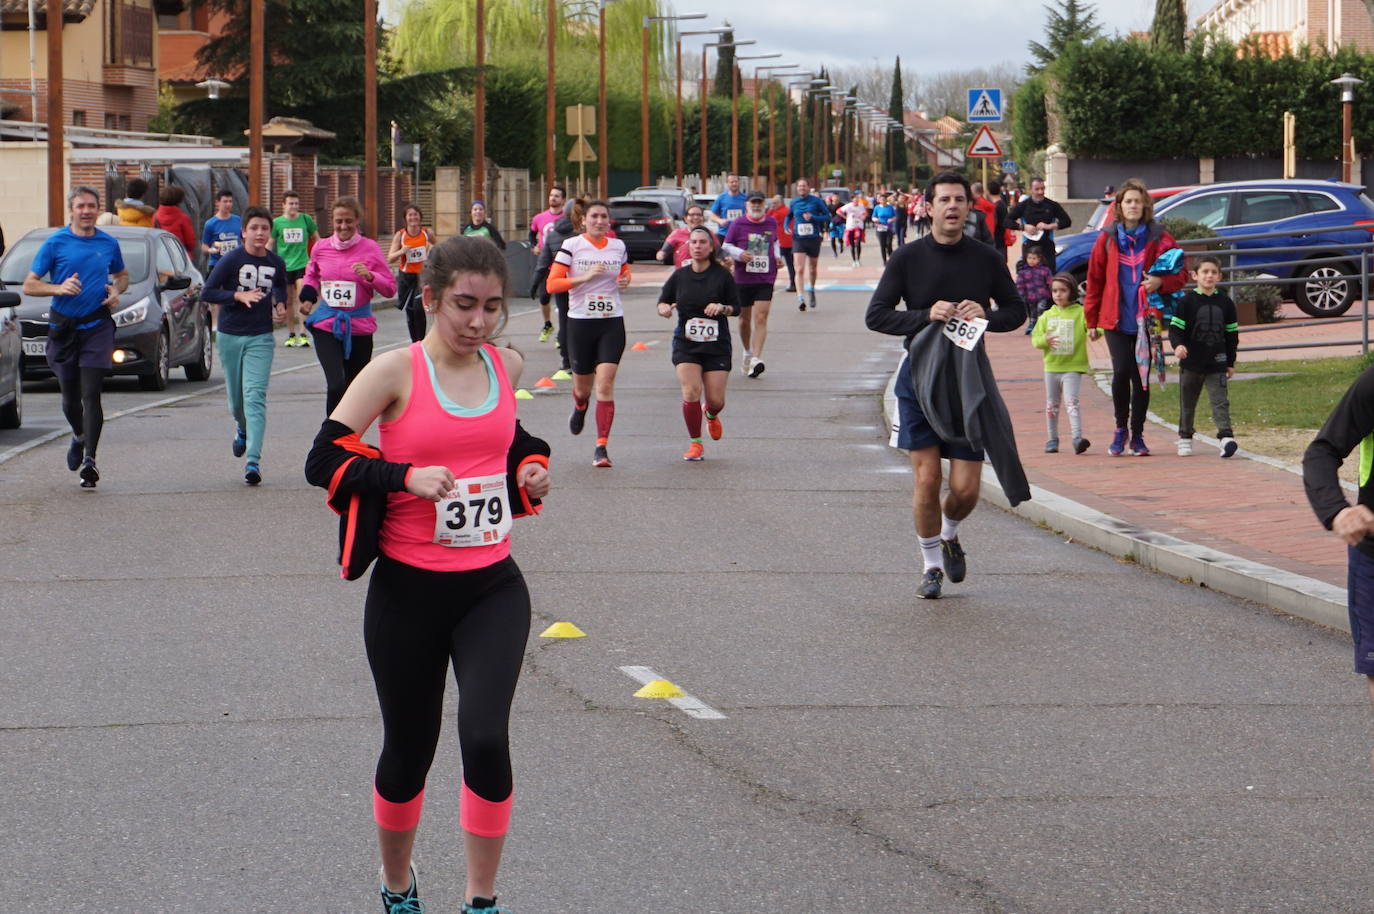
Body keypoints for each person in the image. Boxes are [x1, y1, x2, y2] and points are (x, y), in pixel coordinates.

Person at [304, 236, 551, 914]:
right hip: (407, 592)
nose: (478, 322)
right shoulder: (394, 373)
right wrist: (404, 476)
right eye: (464, 306)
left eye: (493, 307)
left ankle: (482, 900)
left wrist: (530, 468)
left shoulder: (507, 364)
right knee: (410, 750)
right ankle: (397, 884)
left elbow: (507, 439)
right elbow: (322, 460)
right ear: (432, 300)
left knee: (482, 735)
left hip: (491, 586)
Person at [864, 170, 1027, 600]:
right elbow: (876, 315)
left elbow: (1016, 311)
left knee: (965, 490)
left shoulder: (986, 258)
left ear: (969, 207)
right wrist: (924, 314)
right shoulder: (907, 258)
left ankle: (950, 533)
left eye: (959, 200)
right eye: (944, 200)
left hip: (966, 382)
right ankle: (931, 564)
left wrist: (986, 315)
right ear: (929, 207)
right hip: (918, 378)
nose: (952, 207)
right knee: (926, 479)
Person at [21, 186, 129, 488]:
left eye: (91, 206)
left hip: (97, 326)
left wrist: (116, 291)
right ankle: (78, 436)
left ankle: (90, 461)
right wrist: (58, 288)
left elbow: (122, 274)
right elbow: (30, 285)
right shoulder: (56, 243)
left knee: (91, 393)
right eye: (81, 206)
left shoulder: (108, 243)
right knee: (70, 399)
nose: (86, 211)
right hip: (64, 327)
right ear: (72, 209)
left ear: (98, 209)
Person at [1084, 177, 1186, 457]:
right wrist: (1090, 321)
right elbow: (1094, 281)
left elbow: (1181, 274)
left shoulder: (1159, 237)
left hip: (1146, 319)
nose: (1132, 205)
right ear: (1119, 206)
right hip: (1115, 318)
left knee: (1141, 376)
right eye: (1127, 201)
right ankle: (1120, 430)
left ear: (1145, 206)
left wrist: (1159, 283)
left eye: (1137, 201)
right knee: (1121, 372)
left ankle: (1138, 435)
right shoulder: (1106, 238)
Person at [200, 206, 288, 485]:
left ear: (269, 232)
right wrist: (238, 295)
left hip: (261, 337)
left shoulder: (276, 262)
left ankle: (253, 461)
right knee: (237, 402)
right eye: (254, 228)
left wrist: (280, 304)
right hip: (229, 335)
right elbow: (208, 292)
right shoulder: (231, 260)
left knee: (255, 397)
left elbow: (281, 287)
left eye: (264, 228)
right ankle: (241, 428)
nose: (260, 233)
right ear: (244, 232)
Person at [546, 199, 631, 467]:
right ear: (584, 220)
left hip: (611, 322)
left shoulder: (618, 246)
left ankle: (601, 447)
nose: (599, 221)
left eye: (604, 217)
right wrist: (583, 278)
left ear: (609, 220)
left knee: (604, 384)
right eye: (594, 216)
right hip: (581, 324)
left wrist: (625, 279)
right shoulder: (571, 246)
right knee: (583, 389)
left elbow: (625, 271)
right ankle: (580, 405)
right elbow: (552, 284)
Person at [299, 197, 396, 414]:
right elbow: (312, 275)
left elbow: (390, 288)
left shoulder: (370, 248)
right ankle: (331, 438)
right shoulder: (321, 248)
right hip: (327, 323)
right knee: (336, 384)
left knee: (354, 389)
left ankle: (348, 436)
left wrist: (371, 277)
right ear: (332, 221)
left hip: (359, 326)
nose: (343, 226)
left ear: (357, 221)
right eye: (339, 221)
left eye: (348, 221)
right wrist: (307, 297)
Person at [656, 225, 740, 460]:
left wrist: (722, 307)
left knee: (716, 400)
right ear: (688, 246)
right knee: (691, 390)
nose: (697, 246)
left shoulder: (722, 275)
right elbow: (663, 301)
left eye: (703, 242)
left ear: (711, 246)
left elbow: (737, 308)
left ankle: (711, 415)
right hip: (687, 343)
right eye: (693, 242)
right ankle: (695, 443)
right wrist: (663, 308)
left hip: (716, 345)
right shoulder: (680, 275)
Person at [1168, 254, 1239, 458]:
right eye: (1205, 272)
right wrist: (1178, 345)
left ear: (1219, 276)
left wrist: (1230, 361)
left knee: (1220, 401)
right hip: (1191, 363)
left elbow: (1231, 335)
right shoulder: (1186, 302)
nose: (1209, 276)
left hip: (1217, 362)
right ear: (1195, 275)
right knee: (1188, 402)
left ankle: (1226, 438)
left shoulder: (1226, 303)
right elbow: (1175, 329)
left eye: (1213, 272)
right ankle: (1185, 437)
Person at [1030, 273, 1091, 455]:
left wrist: (1097, 332)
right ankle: (1052, 439)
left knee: (1072, 402)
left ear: (1071, 292)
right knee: (1052, 405)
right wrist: (1044, 340)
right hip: (1052, 368)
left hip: (1072, 367)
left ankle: (1077, 438)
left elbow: (1095, 327)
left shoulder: (1080, 313)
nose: (1058, 294)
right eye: (1055, 291)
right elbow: (1035, 338)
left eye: (1063, 291)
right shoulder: (1047, 316)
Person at [723, 191, 781, 379]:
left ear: (764, 204)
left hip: (765, 277)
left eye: (759, 203)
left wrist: (778, 256)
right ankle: (747, 351)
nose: (756, 206)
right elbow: (726, 246)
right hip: (743, 277)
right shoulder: (738, 224)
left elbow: (776, 241)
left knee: (762, 317)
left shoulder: (771, 222)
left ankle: (756, 358)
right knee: (744, 319)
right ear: (747, 206)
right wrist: (740, 254)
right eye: (753, 203)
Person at [536, 199, 583, 376]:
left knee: (565, 321)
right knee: (582, 322)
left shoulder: (554, 232)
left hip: (562, 283)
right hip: (581, 285)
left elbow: (543, 261)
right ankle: (582, 359)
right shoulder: (583, 234)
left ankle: (566, 361)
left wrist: (535, 282)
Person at [269, 189, 320, 349]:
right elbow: (270, 243)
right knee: (288, 301)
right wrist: (265, 259)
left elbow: (318, 240)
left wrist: (316, 259)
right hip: (284, 266)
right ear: (283, 205)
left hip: (302, 264)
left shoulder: (305, 220)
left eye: (296, 203)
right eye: (291, 203)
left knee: (302, 297)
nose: (294, 206)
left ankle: (303, 333)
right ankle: (291, 334)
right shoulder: (277, 223)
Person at [387, 203, 437, 344]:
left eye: (416, 214)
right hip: (406, 277)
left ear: (420, 217)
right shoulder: (401, 235)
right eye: (410, 215)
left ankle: (421, 341)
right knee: (410, 310)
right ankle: (414, 341)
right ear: (406, 218)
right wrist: (402, 251)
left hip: (422, 276)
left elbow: (438, 249)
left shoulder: (427, 233)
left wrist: (431, 248)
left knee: (418, 308)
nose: (413, 217)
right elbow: (390, 258)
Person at [785, 178, 832, 312]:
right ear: (797, 188)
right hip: (798, 238)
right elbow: (789, 216)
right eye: (799, 186)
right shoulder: (794, 202)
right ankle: (800, 298)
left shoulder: (816, 201)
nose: (801, 188)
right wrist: (785, 226)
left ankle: (811, 289)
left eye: (804, 186)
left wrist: (813, 218)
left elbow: (827, 216)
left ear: (808, 187)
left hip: (813, 238)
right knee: (799, 268)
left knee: (812, 268)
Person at [1007, 177, 1071, 271]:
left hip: (1047, 247)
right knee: (1029, 277)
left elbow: (1067, 221)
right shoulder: (1024, 205)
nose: (1040, 192)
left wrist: (1049, 226)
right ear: (1030, 190)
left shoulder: (1052, 205)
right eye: (1037, 189)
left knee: (1048, 278)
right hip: (1029, 247)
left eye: (1042, 188)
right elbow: (1007, 221)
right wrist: (1023, 227)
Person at [529, 185, 565, 342]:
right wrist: (534, 246)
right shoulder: (539, 218)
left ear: (563, 200)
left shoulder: (567, 219)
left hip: (563, 265)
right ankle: (547, 324)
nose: (553, 198)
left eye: (557, 196)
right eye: (551, 195)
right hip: (546, 264)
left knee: (562, 301)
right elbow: (532, 233)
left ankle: (563, 332)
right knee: (544, 297)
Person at [657, 204, 716, 269]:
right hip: (682, 274)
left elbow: (719, 252)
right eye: (692, 215)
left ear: (703, 218)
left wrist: (725, 258)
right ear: (685, 218)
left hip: (704, 273)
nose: (696, 217)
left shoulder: (709, 234)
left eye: (699, 215)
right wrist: (661, 254)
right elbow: (664, 250)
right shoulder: (677, 233)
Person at [201, 189, 242, 272]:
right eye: (225, 201)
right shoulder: (210, 224)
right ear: (217, 203)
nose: (228, 204)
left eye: (230, 201)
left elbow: (243, 240)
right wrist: (211, 250)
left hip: (235, 263)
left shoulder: (238, 220)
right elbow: (204, 246)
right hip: (217, 264)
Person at [1015, 247, 1053, 334]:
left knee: (1041, 309)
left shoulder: (1044, 270)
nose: (1031, 260)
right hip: (1030, 296)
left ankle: (1041, 325)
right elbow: (1020, 284)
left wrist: (1052, 290)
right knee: (1033, 312)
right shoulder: (1023, 271)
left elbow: (1050, 281)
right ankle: (1032, 325)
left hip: (1042, 295)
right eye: (1029, 258)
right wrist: (1021, 294)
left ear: (1039, 259)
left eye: (1034, 258)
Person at [153, 184, 195, 255]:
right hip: (180, 256)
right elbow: (190, 243)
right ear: (179, 200)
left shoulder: (155, 216)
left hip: (161, 255)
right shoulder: (183, 218)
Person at [767, 195, 797, 292]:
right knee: (790, 264)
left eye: (775, 203)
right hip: (789, 241)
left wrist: (770, 209)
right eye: (772, 203)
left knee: (773, 264)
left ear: (781, 203)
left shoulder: (780, 212)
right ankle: (793, 284)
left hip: (781, 242)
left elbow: (767, 220)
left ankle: (770, 283)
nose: (773, 205)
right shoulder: (787, 210)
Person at [708, 173, 748, 238]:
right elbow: (712, 216)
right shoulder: (721, 198)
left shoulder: (745, 198)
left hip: (740, 234)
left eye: (736, 182)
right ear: (727, 183)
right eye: (731, 182)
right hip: (724, 234)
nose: (734, 184)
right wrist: (719, 220)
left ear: (739, 182)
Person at [838, 195, 867, 267]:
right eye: (855, 199)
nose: (856, 200)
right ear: (852, 200)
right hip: (850, 226)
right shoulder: (848, 206)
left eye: (857, 199)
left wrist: (863, 217)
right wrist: (845, 217)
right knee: (852, 245)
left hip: (859, 226)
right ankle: (854, 260)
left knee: (858, 243)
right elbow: (838, 211)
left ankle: (858, 260)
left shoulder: (861, 205)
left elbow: (865, 213)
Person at [872, 193, 896, 265]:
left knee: (889, 244)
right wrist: (875, 219)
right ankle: (884, 261)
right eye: (881, 199)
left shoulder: (890, 207)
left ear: (886, 199)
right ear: (879, 200)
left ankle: (891, 260)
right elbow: (873, 217)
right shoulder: (877, 208)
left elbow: (895, 216)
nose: (883, 200)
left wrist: (891, 219)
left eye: (884, 199)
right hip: (880, 228)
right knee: (882, 245)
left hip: (889, 228)